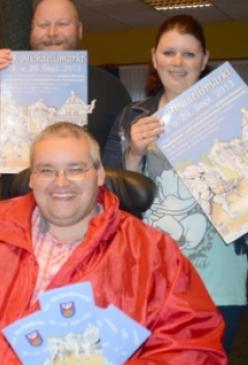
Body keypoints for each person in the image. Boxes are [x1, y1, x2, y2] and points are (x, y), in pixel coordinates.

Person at [0, 122, 226, 365]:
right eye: (47, 170)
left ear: (99, 175)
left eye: (75, 169)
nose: (60, 183)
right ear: (32, 179)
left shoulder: (153, 252)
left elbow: (192, 344)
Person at [102, 14, 247, 353]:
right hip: (150, 273)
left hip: (220, 275)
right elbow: (109, 198)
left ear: (205, 59)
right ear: (154, 57)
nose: (177, 63)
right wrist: (134, 154)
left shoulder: (235, 113)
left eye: (189, 54)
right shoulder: (131, 116)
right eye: (169, 53)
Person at [0, 0, 130, 153]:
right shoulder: (9, 81)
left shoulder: (111, 88)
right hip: (22, 176)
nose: (52, 33)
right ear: (31, 30)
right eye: (43, 25)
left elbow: (126, 154)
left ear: (79, 30)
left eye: (62, 24)